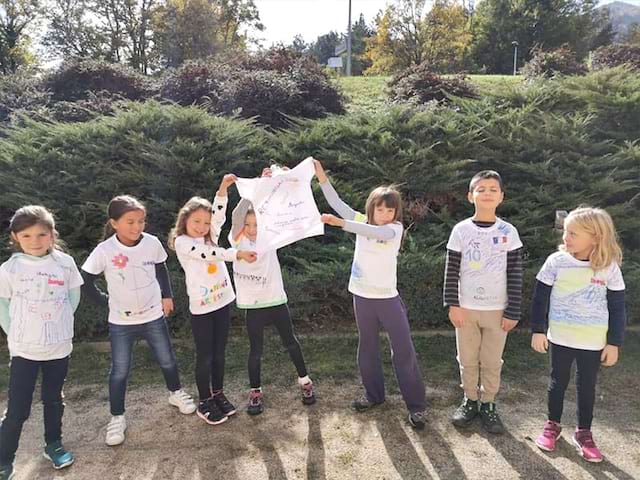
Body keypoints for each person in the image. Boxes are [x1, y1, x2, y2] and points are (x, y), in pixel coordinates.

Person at [314, 159, 426, 430]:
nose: (385, 213)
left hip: (387, 299)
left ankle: (416, 407)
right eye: (380, 208)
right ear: (371, 208)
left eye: (391, 209)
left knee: (403, 350)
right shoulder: (362, 220)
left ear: (396, 212)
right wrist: (321, 176)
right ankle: (374, 396)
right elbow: (337, 203)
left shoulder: (393, 229)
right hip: (361, 297)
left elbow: (372, 231)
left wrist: (340, 224)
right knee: (367, 347)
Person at [81, 195, 196, 447]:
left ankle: (175, 393)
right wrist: (104, 301)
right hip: (121, 323)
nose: (137, 227)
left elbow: (161, 268)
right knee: (120, 370)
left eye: (141, 221)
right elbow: (85, 280)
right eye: (130, 221)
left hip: (153, 315)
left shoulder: (152, 243)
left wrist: (167, 295)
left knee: (167, 359)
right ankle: (117, 417)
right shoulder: (105, 250)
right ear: (114, 223)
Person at [530, 207, 626, 463]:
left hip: (593, 343)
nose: (566, 237)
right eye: (566, 232)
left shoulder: (609, 267)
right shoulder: (556, 262)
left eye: (573, 233)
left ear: (595, 237)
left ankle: (584, 433)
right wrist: (538, 331)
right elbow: (540, 299)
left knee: (587, 387)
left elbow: (618, 307)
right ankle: (553, 425)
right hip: (560, 338)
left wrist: (614, 342)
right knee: (556, 383)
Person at [0, 206, 83, 479]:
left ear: (51, 234)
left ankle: (54, 445)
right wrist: (19, 333)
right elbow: (3, 305)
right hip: (25, 350)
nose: (35, 241)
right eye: (27, 236)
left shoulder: (65, 263)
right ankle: (4, 458)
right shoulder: (9, 269)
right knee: (18, 408)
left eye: (41, 234)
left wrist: (56, 325)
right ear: (15, 237)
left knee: (53, 400)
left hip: (58, 348)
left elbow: (72, 297)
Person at [168, 175, 256, 425]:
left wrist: (223, 189)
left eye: (205, 223)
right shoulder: (183, 243)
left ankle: (218, 394)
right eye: (196, 221)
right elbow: (209, 254)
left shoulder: (210, 234)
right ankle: (205, 400)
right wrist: (236, 254)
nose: (202, 226)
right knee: (205, 355)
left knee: (219, 354)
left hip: (222, 302)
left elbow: (219, 214)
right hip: (202, 308)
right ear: (185, 220)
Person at [229, 166, 315, 416]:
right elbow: (236, 214)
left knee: (291, 343)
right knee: (255, 350)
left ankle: (305, 382)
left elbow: (283, 208)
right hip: (253, 307)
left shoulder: (270, 237)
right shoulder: (237, 240)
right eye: (249, 224)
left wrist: (275, 183)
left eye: (257, 224)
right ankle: (255, 391)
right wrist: (254, 190)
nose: (253, 228)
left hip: (276, 302)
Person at [443, 170, 523, 434]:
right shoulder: (461, 230)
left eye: (492, 189)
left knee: (491, 360)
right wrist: (453, 304)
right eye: (481, 189)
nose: (487, 193)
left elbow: (515, 273)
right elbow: (451, 270)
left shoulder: (508, 232)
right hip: (466, 309)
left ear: (501, 197)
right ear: (470, 196)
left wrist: (513, 310)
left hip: (497, 311)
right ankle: (470, 400)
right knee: (467, 358)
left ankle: (488, 403)